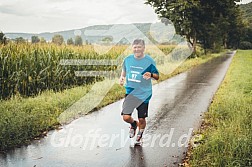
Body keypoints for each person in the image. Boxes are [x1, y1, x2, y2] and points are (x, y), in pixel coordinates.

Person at [119, 39, 159, 144]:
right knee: (126, 117)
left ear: (143, 48)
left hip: (144, 94)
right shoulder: (127, 59)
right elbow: (124, 70)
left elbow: (157, 76)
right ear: (132, 48)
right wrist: (122, 77)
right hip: (130, 92)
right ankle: (133, 124)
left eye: (139, 47)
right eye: (135, 47)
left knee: (142, 119)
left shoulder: (149, 61)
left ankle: (140, 135)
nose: (137, 49)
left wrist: (150, 75)